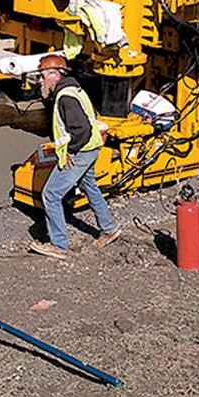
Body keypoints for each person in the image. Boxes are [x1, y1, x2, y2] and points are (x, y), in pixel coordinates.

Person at [29, 54, 122, 259]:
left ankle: (58, 245)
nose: (40, 81)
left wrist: (71, 150)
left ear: (55, 74)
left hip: (81, 152)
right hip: (92, 148)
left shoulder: (66, 98)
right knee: (90, 187)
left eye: (43, 76)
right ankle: (109, 229)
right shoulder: (74, 89)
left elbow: (82, 129)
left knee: (51, 194)